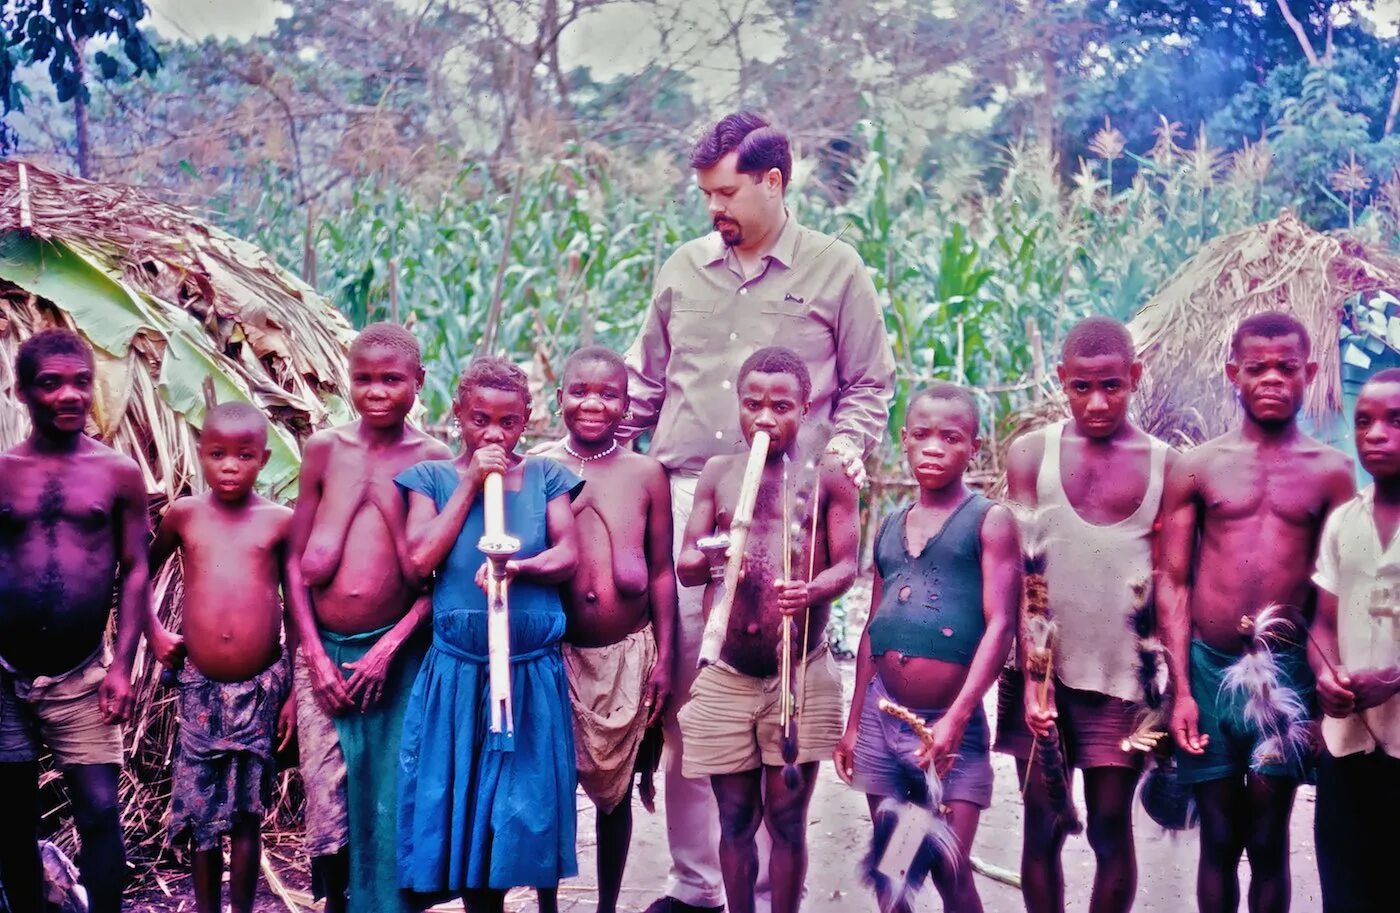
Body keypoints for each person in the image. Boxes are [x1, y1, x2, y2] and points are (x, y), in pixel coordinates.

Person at [623, 111, 895, 913]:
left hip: (789, 513)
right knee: (691, 695)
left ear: (775, 182)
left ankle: (777, 890)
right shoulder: (683, 267)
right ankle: (696, 886)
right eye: (706, 193)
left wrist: (840, 459)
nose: (714, 208)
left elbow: (869, 386)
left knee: (781, 697)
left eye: (728, 191)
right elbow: (645, 384)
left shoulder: (836, 268)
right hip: (687, 499)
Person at [1159, 311, 1355, 913]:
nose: (1271, 378)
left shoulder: (1332, 473)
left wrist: (1325, 690)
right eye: (1257, 368)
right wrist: (1182, 690)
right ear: (1232, 375)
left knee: (1269, 837)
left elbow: (1336, 591)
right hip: (1210, 671)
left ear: (1310, 374)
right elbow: (1171, 581)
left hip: (1288, 676)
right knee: (1218, 836)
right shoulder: (1198, 465)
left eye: (1286, 368)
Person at [994, 316, 1174, 913]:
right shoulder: (1031, 455)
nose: (1097, 403)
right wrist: (1033, 677)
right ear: (1061, 380)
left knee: (1107, 826)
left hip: (1124, 681)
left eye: (1113, 387)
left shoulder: (1166, 465)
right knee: (1041, 827)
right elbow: (1026, 571)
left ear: (1135, 378)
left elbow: (1171, 580)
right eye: (1081, 388)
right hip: (1044, 675)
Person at [675, 347, 858, 913]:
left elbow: (848, 565)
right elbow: (685, 562)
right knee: (733, 817)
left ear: (805, 408)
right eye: (752, 404)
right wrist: (714, 553)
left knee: (785, 817)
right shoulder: (719, 473)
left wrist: (813, 590)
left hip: (797, 672)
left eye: (781, 406)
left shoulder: (826, 475)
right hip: (727, 672)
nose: (764, 418)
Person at [396, 356, 581, 913]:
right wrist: (473, 482)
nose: (493, 434)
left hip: (529, 669)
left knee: (531, 804)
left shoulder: (548, 477)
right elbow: (418, 560)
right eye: (480, 420)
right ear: (457, 414)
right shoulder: (431, 479)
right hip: (458, 673)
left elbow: (568, 554)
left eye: (508, 422)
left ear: (528, 419)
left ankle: (545, 901)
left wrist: (518, 568)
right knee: (469, 807)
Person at [835, 382, 1021, 913]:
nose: (934, 448)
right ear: (904, 440)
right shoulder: (891, 526)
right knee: (896, 874)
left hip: (949, 724)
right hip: (881, 722)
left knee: (950, 869)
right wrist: (853, 726)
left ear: (974, 449)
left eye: (951, 437)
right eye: (922, 436)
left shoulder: (989, 521)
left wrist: (958, 717)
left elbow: (1001, 624)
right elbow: (874, 626)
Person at [289, 322, 451, 913]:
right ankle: (336, 903)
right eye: (363, 379)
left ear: (418, 383)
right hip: (323, 650)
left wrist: (390, 647)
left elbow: (443, 581)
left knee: (392, 792)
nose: (376, 391)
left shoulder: (434, 461)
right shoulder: (325, 451)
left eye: (392, 379)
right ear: (346, 380)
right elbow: (293, 562)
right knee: (327, 794)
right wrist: (311, 652)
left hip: (398, 658)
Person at [0, 329, 149, 913]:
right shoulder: (4, 472)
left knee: (100, 811)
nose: (69, 395)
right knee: (12, 817)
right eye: (50, 383)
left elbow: (135, 570)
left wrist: (123, 668)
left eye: (81, 382)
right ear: (20, 393)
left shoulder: (118, 475)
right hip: (4, 674)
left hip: (84, 673)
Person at [538, 345, 677, 913]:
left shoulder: (646, 475)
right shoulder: (539, 468)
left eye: (609, 394)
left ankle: (606, 906)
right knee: (549, 791)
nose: (593, 403)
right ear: (559, 399)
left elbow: (663, 572)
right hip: (555, 656)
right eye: (580, 392)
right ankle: (546, 904)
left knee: (615, 796)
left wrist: (666, 655)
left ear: (628, 404)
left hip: (628, 656)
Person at [148, 403, 299, 913]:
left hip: (260, 689)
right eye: (218, 454)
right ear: (201, 455)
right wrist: (153, 631)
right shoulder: (184, 515)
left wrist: (297, 692)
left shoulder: (280, 522)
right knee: (200, 811)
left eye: (243, 455)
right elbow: (138, 576)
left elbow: (299, 611)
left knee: (247, 813)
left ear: (264, 459)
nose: (229, 466)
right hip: (199, 688)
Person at [1309, 367, 1400, 913]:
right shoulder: (1345, 521)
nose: (1375, 434)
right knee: (1346, 890)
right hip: (1346, 745)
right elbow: (1322, 621)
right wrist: (1326, 674)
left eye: (1395, 421)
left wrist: (1393, 679)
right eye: (1363, 421)